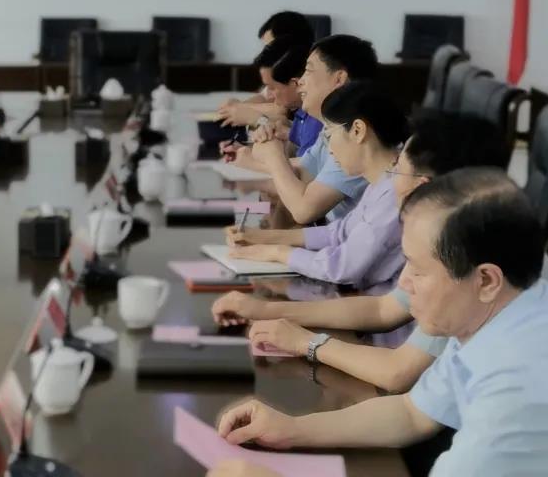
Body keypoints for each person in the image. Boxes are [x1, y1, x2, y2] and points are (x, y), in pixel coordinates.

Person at [215, 169, 548, 476]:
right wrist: (292, 429)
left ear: (486, 280)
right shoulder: (500, 311)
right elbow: (412, 413)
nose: (404, 283)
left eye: (418, 270)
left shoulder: (517, 387)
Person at [212, 113, 512, 392]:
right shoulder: (456, 233)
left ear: (422, 188)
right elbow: (383, 309)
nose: (390, 179)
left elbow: (398, 372)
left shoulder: (465, 262)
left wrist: (306, 342)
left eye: (397, 168)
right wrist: (266, 311)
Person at [226, 82, 409, 289]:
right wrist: (263, 237)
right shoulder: (381, 182)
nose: (329, 150)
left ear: (358, 130)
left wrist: (276, 252)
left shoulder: (395, 191)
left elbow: (341, 267)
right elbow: (339, 232)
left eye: (329, 135)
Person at [232, 35, 376, 223]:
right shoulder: (331, 128)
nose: (300, 81)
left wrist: (272, 154)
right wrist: (253, 158)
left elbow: (304, 210)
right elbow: (301, 173)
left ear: (339, 78)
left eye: (308, 71)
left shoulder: (356, 137)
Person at [215, 11, 315, 127]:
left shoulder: (313, 99)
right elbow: (265, 97)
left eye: (271, 46)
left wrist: (251, 114)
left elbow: (280, 112)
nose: (267, 52)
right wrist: (237, 109)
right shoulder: (282, 81)